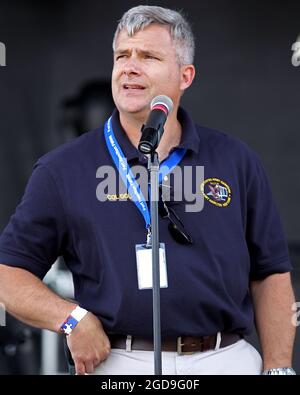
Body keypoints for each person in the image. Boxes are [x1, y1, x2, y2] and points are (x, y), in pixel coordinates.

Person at [0, 5, 296, 375]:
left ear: (185, 76)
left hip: (225, 358)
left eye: (149, 56)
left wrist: (279, 367)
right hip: (118, 361)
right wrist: (70, 317)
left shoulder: (237, 160)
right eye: (122, 55)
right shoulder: (63, 168)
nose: (129, 66)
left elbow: (270, 272)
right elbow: (8, 273)